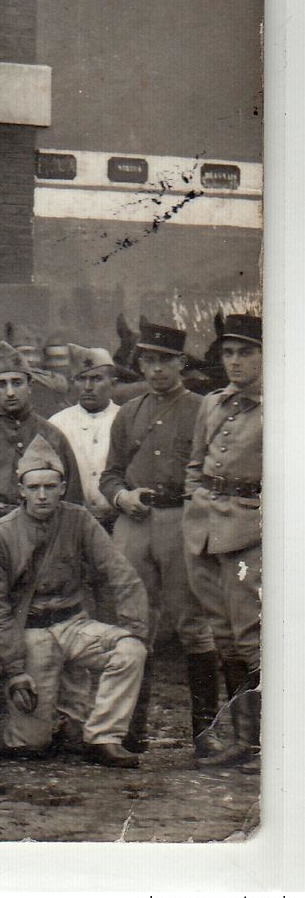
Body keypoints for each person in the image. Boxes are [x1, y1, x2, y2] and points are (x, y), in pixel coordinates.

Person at [0, 436, 150, 768]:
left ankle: (102, 736)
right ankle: (1, 722)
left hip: (75, 624)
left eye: (50, 486)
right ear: (21, 490)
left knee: (131, 651)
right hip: (30, 633)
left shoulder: (79, 520)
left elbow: (118, 571)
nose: (42, 495)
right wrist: (14, 669)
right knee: (29, 745)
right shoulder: (1, 534)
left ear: (62, 487)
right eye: (34, 487)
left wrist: (135, 628)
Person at [99, 318, 223, 759]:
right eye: (148, 361)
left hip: (182, 521)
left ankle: (204, 733)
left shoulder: (204, 409)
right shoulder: (127, 411)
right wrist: (121, 495)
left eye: (165, 361)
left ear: (181, 364)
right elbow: (109, 474)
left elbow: (215, 470)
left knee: (193, 626)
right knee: (134, 625)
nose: (155, 370)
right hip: (135, 523)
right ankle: (131, 730)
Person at [181, 313, 263, 772]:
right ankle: (242, 741)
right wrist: (197, 497)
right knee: (224, 636)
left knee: (254, 638)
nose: (234, 362)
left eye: (245, 352)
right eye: (228, 353)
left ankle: (267, 744)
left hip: (251, 533)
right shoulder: (212, 404)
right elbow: (195, 463)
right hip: (204, 529)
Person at [0, 342, 83, 561]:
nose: (10, 392)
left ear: (30, 385)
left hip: (36, 532)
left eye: (17, 382)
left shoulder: (53, 437)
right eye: (2, 384)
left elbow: (73, 499)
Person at [49, 346, 121, 526]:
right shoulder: (58, 423)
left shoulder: (126, 419)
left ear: (113, 383)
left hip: (118, 521)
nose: (88, 387)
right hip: (70, 523)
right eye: (81, 379)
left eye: (97, 379)